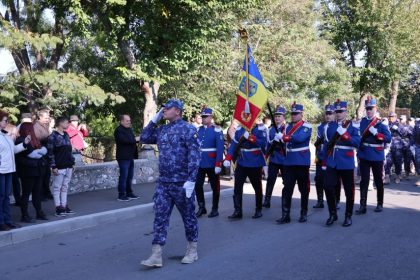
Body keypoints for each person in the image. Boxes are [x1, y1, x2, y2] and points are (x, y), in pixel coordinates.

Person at [140, 99, 200, 267]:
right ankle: (156, 255)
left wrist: (191, 180)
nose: (164, 110)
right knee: (160, 217)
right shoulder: (162, 129)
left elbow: (194, 157)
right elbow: (144, 137)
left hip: (182, 183)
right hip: (164, 183)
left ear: (178, 111)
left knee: (188, 218)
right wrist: (154, 120)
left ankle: (192, 250)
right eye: (163, 109)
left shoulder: (188, 129)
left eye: (167, 108)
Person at [323, 100, 360, 227]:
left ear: (346, 111)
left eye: (341, 111)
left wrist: (347, 136)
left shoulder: (353, 126)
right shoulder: (329, 126)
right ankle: (332, 214)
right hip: (332, 161)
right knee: (328, 186)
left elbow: (357, 143)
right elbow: (327, 145)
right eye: (336, 111)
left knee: (349, 191)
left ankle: (348, 215)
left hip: (346, 161)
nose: (338, 114)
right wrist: (323, 160)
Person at [223, 120, 268, 220]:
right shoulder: (240, 129)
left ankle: (258, 209)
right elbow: (234, 145)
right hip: (242, 161)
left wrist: (252, 138)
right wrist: (228, 158)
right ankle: (238, 211)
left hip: (255, 162)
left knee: (257, 187)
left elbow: (263, 144)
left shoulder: (260, 129)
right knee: (237, 187)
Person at [276, 102, 312, 224]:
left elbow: (301, 138)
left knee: (303, 189)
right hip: (289, 161)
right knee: (287, 189)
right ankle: (285, 215)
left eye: (296, 114)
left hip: (301, 161)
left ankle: (303, 212)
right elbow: (281, 140)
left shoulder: (307, 126)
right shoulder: (286, 127)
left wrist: (287, 137)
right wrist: (278, 138)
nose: (293, 116)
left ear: (301, 114)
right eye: (292, 113)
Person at [356, 97, 391, 214]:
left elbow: (388, 138)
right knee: (364, 181)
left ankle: (380, 203)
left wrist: (377, 134)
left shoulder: (381, 123)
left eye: (371, 108)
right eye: (367, 109)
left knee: (378, 181)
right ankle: (362, 205)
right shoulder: (362, 122)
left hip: (376, 155)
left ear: (375, 109)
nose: (369, 111)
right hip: (365, 155)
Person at [0, 110, 30, 231]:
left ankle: (7, 220)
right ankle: (1, 222)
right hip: (1, 171)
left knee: (6, 197)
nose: (7, 122)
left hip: (9, 170)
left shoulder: (6, 136)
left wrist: (24, 143)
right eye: (5, 120)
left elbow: (12, 151)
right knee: (1, 196)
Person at [194, 107, 224, 218]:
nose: (203, 118)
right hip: (200, 162)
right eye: (202, 117)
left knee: (215, 187)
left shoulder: (216, 130)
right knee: (197, 186)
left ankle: (215, 208)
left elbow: (220, 148)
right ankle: (202, 207)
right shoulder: (199, 129)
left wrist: (218, 163)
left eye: (205, 117)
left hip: (212, 162)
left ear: (211, 117)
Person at [15, 122, 49, 222]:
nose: (32, 130)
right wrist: (38, 154)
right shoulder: (21, 140)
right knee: (26, 193)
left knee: (36, 193)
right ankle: (25, 215)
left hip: (36, 170)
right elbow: (22, 156)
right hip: (28, 171)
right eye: (30, 128)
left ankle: (39, 212)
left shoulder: (34, 139)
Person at [47, 117, 76, 217]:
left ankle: (64, 205)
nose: (68, 124)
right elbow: (50, 153)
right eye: (66, 122)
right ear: (60, 123)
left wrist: (72, 163)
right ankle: (58, 207)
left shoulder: (66, 135)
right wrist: (53, 166)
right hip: (59, 166)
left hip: (68, 165)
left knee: (65, 187)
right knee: (57, 187)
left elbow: (69, 150)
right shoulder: (53, 136)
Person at [263, 105, 286, 208]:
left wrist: (282, 139)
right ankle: (267, 200)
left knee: (286, 181)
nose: (277, 118)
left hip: (285, 158)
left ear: (283, 117)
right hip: (274, 158)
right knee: (270, 180)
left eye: (279, 116)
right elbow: (268, 144)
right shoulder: (271, 129)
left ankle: (285, 200)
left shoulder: (287, 128)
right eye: (276, 115)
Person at [313, 103, 335, 209]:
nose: (328, 116)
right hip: (321, 156)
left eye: (330, 113)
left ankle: (334, 201)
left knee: (331, 181)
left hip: (331, 156)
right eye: (327, 113)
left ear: (334, 114)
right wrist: (316, 156)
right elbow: (317, 143)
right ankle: (320, 200)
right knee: (319, 179)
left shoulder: (336, 126)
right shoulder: (320, 126)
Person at [114, 115, 139, 201]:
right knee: (124, 176)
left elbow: (132, 140)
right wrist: (136, 139)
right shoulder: (118, 130)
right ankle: (121, 195)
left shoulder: (129, 129)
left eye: (129, 121)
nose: (129, 122)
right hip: (123, 157)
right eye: (127, 121)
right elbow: (124, 141)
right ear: (121, 121)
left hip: (130, 156)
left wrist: (136, 139)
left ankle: (129, 192)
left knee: (130, 176)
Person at [34, 109, 53, 201]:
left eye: (48, 117)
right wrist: (48, 138)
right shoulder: (36, 127)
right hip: (41, 154)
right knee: (41, 176)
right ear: (40, 117)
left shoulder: (45, 126)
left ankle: (46, 192)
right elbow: (37, 141)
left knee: (47, 175)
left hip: (46, 154)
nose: (47, 119)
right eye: (45, 118)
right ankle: (41, 195)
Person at [384, 112, 404, 184]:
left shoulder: (399, 124)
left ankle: (398, 175)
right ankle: (387, 176)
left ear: (395, 117)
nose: (391, 118)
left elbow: (404, 133)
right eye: (390, 117)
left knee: (397, 161)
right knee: (388, 161)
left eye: (392, 117)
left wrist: (398, 128)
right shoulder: (386, 124)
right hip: (388, 146)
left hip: (397, 147)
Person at [411, 118, 420, 186]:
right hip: (418, 145)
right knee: (418, 161)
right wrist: (412, 145)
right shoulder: (417, 124)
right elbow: (413, 135)